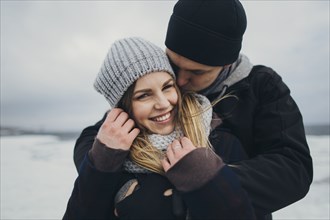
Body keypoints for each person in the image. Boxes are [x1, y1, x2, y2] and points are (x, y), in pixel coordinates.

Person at [72, 0, 313, 219]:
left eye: (197, 72)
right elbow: (97, 137)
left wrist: (209, 182)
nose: (181, 81)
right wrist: (113, 177)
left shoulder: (263, 86)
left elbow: (293, 170)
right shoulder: (161, 81)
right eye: (174, 65)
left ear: (226, 64)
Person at [63, 37, 256, 219]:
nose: (163, 103)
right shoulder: (115, 159)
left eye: (167, 87)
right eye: (144, 95)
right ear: (124, 107)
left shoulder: (221, 141)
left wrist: (207, 180)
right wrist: (101, 164)